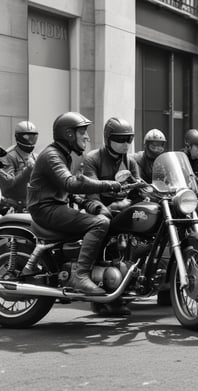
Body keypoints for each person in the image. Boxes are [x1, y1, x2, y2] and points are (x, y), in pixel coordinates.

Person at [27, 112, 122, 295]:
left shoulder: (64, 155)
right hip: (46, 209)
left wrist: (91, 205)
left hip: (55, 206)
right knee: (100, 223)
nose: (86, 136)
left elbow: (67, 191)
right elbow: (70, 183)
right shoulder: (52, 155)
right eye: (82, 132)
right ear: (69, 134)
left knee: (109, 219)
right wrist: (107, 185)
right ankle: (80, 276)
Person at [83, 117, 140, 315]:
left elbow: (138, 189)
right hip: (100, 207)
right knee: (103, 224)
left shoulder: (130, 162)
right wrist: (106, 207)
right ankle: (97, 289)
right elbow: (91, 193)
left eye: (129, 139)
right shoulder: (93, 158)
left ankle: (132, 278)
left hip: (124, 209)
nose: (126, 144)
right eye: (121, 139)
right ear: (108, 139)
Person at [0, 121, 39, 212]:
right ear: (18, 137)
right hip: (14, 207)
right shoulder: (8, 157)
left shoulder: (35, 156)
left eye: (33, 137)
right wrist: (27, 170)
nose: (30, 140)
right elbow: (9, 187)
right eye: (26, 137)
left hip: (32, 205)